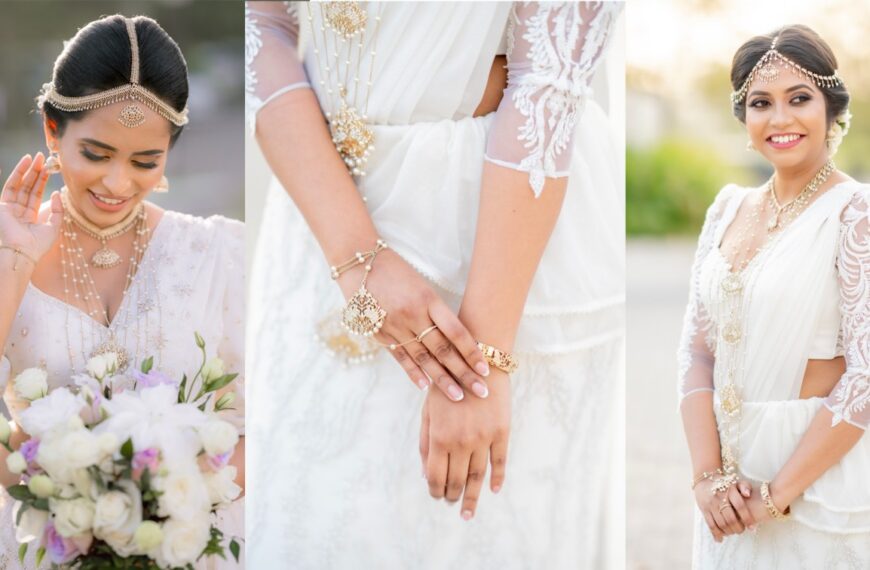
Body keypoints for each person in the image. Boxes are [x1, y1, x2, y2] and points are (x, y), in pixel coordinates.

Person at [246, 2, 624, 567]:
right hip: (317, 211)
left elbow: (548, 82)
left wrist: (480, 368)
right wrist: (355, 257)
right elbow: (265, 25)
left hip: (492, 239)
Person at [0, 15, 244, 569]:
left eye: (144, 161)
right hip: (44, 548)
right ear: (51, 132)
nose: (117, 183)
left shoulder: (219, 257)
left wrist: (159, 508)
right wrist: (13, 261)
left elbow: (269, 424)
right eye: (96, 153)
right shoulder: (6, 253)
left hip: (196, 544)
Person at [678, 24, 870, 568]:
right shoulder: (726, 209)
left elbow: (866, 375)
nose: (780, 118)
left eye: (799, 98)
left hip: (815, 478)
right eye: (761, 102)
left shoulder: (855, 212)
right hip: (729, 485)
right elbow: (696, 353)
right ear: (745, 119)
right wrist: (706, 477)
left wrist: (775, 495)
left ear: (831, 109)